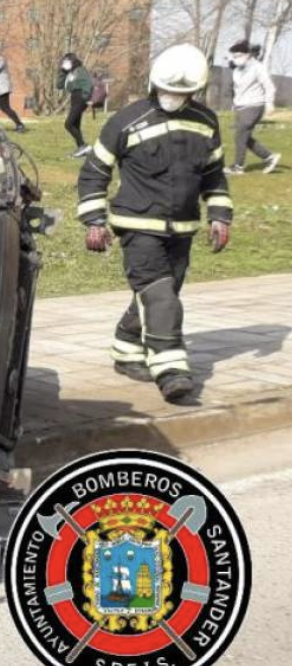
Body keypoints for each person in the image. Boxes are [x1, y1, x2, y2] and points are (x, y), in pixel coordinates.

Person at [76, 44, 231, 405]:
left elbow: (214, 175)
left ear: (194, 91)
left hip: (182, 228)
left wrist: (220, 215)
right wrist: (94, 221)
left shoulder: (206, 122)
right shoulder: (126, 120)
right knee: (160, 294)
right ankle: (172, 369)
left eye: (180, 93)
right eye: (165, 90)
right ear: (152, 84)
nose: (172, 97)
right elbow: (94, 173)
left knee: (160, 293)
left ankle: (126, 346)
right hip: (136, 223)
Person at [226, 39, 280, 174]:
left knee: (240, 136)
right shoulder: (237, 70)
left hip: (255, 105)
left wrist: (270, 104)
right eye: (234, 56)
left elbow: (269, 87)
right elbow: (237, 89)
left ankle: (238, 167)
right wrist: (235, 104)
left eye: (238, 56)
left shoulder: (258, 68)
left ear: (247, 55)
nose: (235, 59)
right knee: (244, 137)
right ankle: (269, 157)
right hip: (241, 106)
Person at [56, 52, 93, 157]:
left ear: (72, 61)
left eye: (67, 61)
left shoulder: (80, 70)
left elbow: (88, 83)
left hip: (80, 97)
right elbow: (59, 86)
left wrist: (86, 97)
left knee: (68, 124)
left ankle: (83, 146)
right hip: (74, 97)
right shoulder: (69, 72)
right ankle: (81, 149)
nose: (65, 63)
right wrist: (63, 72)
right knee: (75, 125)